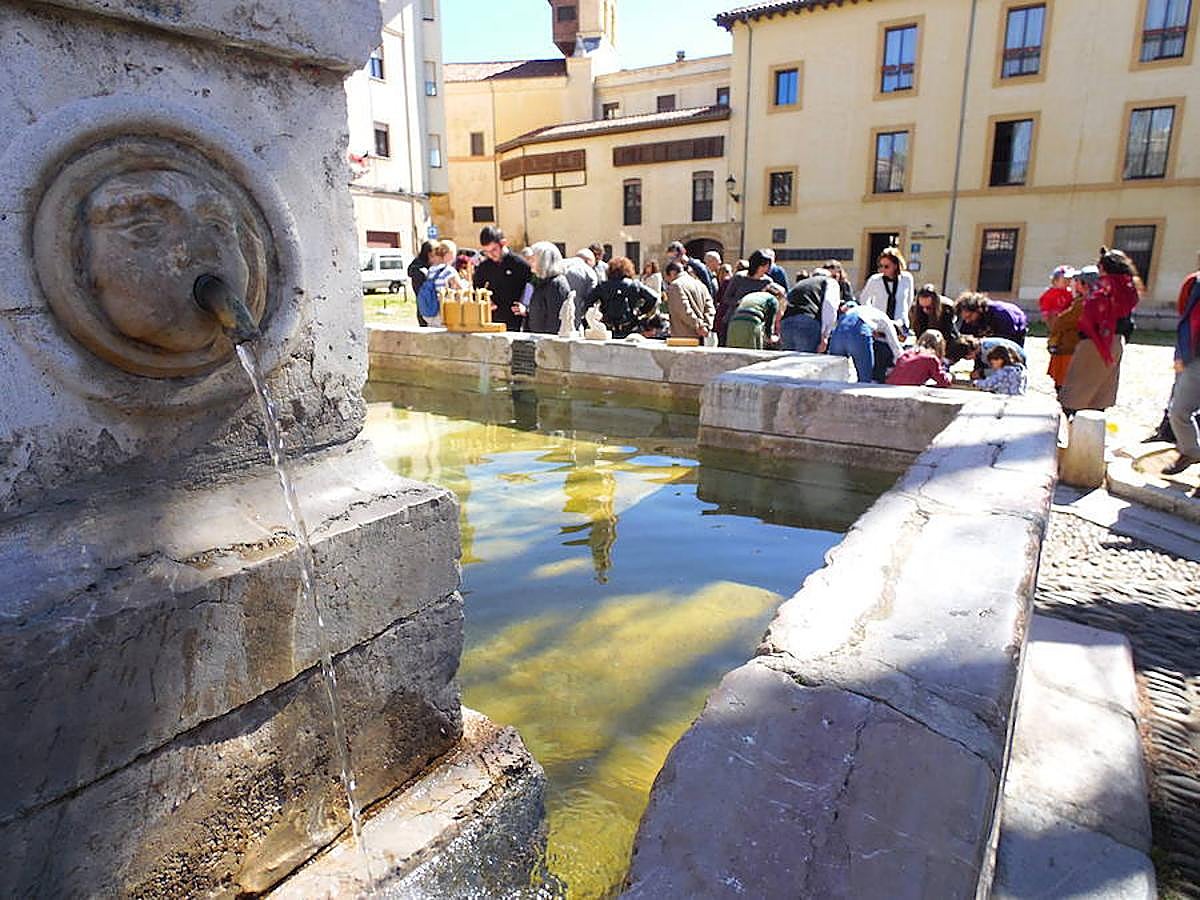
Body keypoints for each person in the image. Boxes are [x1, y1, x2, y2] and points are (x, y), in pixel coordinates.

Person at [1060, 248, 1141, 414]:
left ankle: (1077, 437)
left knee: (1074, 397)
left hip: (1095, 343)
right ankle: (1091, 436)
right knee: (1098, 400)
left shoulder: (1105, 288)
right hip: (1116, 342)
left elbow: (1093, 315)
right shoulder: (1128, 287)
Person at [1164, 266, 1200, 479]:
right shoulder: (1195, 282)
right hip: (1195, 357)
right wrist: (1182, 354)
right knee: (1179, 411)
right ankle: (1190, 451)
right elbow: (1185, 318)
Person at [715, 249, 783, 345]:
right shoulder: (739, 277)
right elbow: (726, 298)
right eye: (764, 266)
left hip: (754, 322)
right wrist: (741, 303)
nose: (766, 269)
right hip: (732, 320)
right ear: (756, 265)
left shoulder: (767, 282)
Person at [827, 300, 904, 383]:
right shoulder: (887, 321)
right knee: (865, 380)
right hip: (858, 329)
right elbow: (896, 348)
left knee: (834, 375)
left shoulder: (867, 311)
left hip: (839, 329)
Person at [474, 225, 531, 332]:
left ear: (503, 243)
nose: (490, 255)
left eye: (494, 250)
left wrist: (525, 304)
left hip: (515, 321)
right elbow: (476, 288)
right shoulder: (483, 267)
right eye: (486, 251)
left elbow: (531, 285)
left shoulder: (519, 264)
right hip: (491, 321)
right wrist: (485, 301)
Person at [591, 256, 660, 338]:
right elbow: (654, 298)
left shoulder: (603, 286)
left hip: (608, 328)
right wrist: (641, 311)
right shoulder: (634, 285)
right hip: (629, 327)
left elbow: (589, 301)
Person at [1046, 270, 1090, 393]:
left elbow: (1062, 322)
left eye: (1074, 282)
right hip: (1066, 346)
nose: (1071, 284)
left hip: (1071, 348)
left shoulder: (1083, 303)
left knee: (1066, 385)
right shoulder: (1077, 301)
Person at [782, 268, 840, 353]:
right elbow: (829, 305)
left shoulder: (801, 283)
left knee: (788, 363)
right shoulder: (829, 281)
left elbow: (784, 303)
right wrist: (825, 335)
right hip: (807, 323)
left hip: (786, 323)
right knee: (806, 363)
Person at [859, 246, 914, 328]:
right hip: (879, 324)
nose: (883, 269)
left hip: (900, 324)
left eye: (886, 266)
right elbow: (863, 299)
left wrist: (903, 314)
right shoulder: (875, 280)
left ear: (896, 265)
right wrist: (872, 316)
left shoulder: (906, 278)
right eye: (881, 266)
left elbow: (909, 300)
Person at [664, 259, 715, 341]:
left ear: (672, 273)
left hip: (683, 337)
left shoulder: (675, 286)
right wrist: (706, 326)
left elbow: (683, 309)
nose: (668, 281)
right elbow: (710, 308)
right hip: (702, 336)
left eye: (667, 278)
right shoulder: (701, 285)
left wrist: (698, 325)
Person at [422, 239, 467, 327]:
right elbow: (460, 289)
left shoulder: (431, 269)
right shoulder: (449, 271)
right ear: (448, 254)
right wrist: (466, 283)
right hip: (444, 310)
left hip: (430, 309)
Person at [955, 291, 1028, 345]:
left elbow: (1006, 343)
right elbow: (963, 342)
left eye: (969, 317)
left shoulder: (1001, 315)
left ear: (979, 310)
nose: (967, 321)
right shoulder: (970, 319)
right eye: (964, 318)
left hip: (1013, 331)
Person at [886, 330, 952, 387]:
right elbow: (944, 382)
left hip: (890, 388)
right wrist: (949, 376)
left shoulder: (906, 354)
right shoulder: (931, 359)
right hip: (906, 393)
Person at [908, 284, 959, 348]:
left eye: (928, 307)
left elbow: (948, 336)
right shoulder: (915, 310)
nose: (924, 310)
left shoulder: (946, 310)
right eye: (922, 307)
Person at [563, 249, 601, 328]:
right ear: (588, 261)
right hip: (574, 315)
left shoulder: (560, 264)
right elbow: (591, 297)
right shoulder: (589, 272)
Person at [408, 240, 434, 327]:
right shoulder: (419, 271)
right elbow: (421, 293)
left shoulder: (427, 267)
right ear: (429, 254)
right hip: (426, 309)